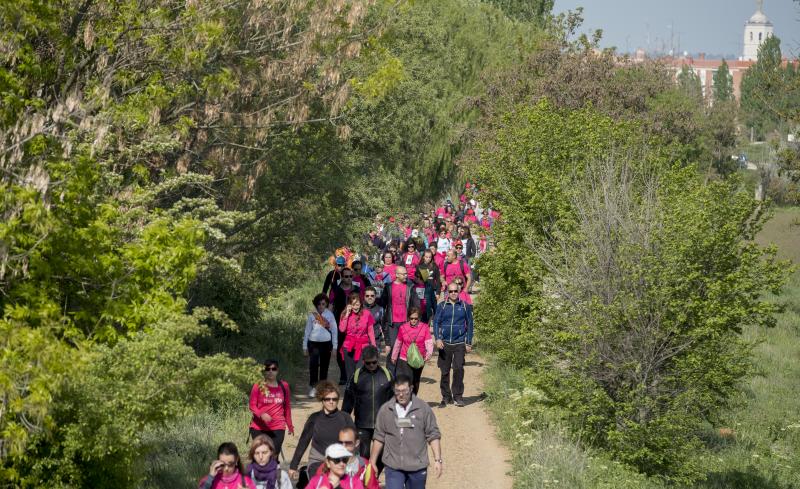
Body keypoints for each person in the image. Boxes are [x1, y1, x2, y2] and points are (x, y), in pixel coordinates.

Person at [369, 375, 443, 489]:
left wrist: (438, 460)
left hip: (417, 467)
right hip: (393, 466)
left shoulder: (423, 409)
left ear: (411, 388)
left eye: (404, 391)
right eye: (397, 391)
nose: (401, 394)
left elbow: (433, 435)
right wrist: (372, 461)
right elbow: (379, 437)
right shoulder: (386, 410)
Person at [289, 381, 355, 481]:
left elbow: (354, 442)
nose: (331, 402)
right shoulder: (314, 418)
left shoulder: (345, 418)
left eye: (335, 399)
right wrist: (293, 466)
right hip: (318, 460)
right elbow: (303, 441)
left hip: (340, 461)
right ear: (322, 400)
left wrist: (353, 462)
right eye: (327, 399)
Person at [341, 346, 393, 467]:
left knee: (381, 456)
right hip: (362, 424)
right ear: (363, 361)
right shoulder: (356, 376)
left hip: (382, 424)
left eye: (374, 362)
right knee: (364, 456)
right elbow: (348, 400)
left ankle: (374, 478)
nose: (371, 365)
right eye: (368, 363)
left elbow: (394, 399)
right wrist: (343, 420)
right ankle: (365, 482)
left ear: (378, 359)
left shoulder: (387, 375)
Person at [434, 282, 474, 408]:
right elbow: (436, 322)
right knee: (444, 371)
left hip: (459, 343)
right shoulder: (442, 306)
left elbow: (470, 324)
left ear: (459, 291)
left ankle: (458, 396)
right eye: (450, 291)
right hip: (445, 343)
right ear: (447, 292)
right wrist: (438, 338)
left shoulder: (464, 306)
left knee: (458, 369)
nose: (453, 293)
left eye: (455, 291)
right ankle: (446, 396)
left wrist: (468, 342)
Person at [249, 359, 294, 455]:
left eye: (273, 369)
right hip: (258, 427)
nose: (270, 371)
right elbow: (252, 405)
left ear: (277, 370)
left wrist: (290, 425)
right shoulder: (258, 385)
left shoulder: (284, 386)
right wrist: (261, 414)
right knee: (260, 456)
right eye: (267, 369)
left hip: (278, 427)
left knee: (273, 456)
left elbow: (287, 407)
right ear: (264, 371)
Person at [379, 266, 420, 369]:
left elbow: (416, 304)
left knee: (405, 347)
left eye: (406, 273)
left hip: (406, 322)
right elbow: (382, 303)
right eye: (403, 274)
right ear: (396, 275)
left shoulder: (410, 287)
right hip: (392, 323)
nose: (406, 276)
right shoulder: (388, 287)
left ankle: (403, 373)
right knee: (393, 347)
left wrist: (416, 317)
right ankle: (390, 374)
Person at [390, 307, 433, 395]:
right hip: (405, 359)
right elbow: (398, 342)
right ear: (408, 318)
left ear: (419, 318)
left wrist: (429, 354)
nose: (413, 320)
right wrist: (394, 356)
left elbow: (429, 342)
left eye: (416, 318)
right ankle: (406, 400)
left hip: (419, 359)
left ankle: (413, 399)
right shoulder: (403, 328)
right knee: (407, 380)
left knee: (416, 381)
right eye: (411, 318)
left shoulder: (424, 327)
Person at [331, 268, 361, 385]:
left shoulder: (357, 290)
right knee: (340, 349)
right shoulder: (336, 290)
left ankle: (353, 373)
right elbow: (331, 305)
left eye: (350, 276)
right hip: (340, 323)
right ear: (342, 277)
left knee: (354, 348)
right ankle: (343, 373)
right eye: (346, 276)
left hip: (355, 323)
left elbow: (362, 304)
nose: (348, 278)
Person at [304, 294, 338, 397]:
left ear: (326, 304)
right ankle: (313, 387)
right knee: (313, 365)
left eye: (323, 304)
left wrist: (335, 347)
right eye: (319, 304)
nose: (321, 306)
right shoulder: (312, 315)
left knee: (324, 366)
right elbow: (307, 331)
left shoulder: (330, 315)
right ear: (316, 304)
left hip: (326, 344)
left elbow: (334, 331)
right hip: (313, 343)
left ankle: (322, 388)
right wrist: (304, 347)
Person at [339, 293, 377, 382]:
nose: (355, 307)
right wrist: (347, 314)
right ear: (349, 304)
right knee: (350, 374)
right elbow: (342, 329)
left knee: (361, 372)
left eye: (357, 304)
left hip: (363, 346)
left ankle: (361, 392)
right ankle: (351, 392)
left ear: (361, 304)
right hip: (349, 347)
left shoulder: (367, 314)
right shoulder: (345, 314)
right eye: (353, 305)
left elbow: (370, 331)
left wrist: (374, 346)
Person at [415, 250, 441, 322]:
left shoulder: (434, 266)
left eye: (430, 257)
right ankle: (426, 324)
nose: (428, 258)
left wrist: (438, 292)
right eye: (426, 257)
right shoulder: (419, 267)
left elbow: (438, 280)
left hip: (432, 290)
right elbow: (417, 279)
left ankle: (435, 323)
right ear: (423, 257)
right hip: (424, 290)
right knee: (426, 309)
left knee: (435, 308)